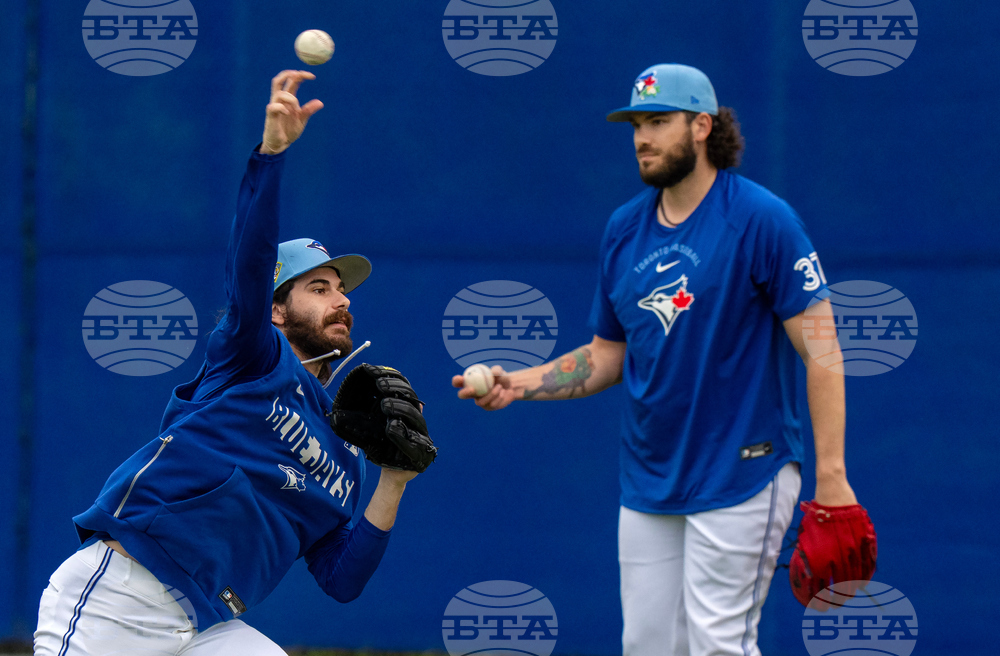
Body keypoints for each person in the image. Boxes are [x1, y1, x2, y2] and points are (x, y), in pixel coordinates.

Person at [453, 63, 862, 656]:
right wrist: (523, 383)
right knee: (646, 646)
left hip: (744, 470)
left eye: (659, 121)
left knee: (717, 643)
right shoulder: (625, 229)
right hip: (650, 478)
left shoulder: (761, 219)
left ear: (702, 126)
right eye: (637, 124)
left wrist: (832, 478)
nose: (643, 137)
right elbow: (605, 356)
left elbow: (823, 351)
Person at [34, 70, 423, 655]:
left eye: (342, 290)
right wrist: (272, 155)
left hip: (206, 621)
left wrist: (393, 479)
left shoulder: (348, 453)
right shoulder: (253, 357)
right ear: (274, 310)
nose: (340, 299)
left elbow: (343, 580)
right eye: (317, 287)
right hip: (124, 590)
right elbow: (249, 261)